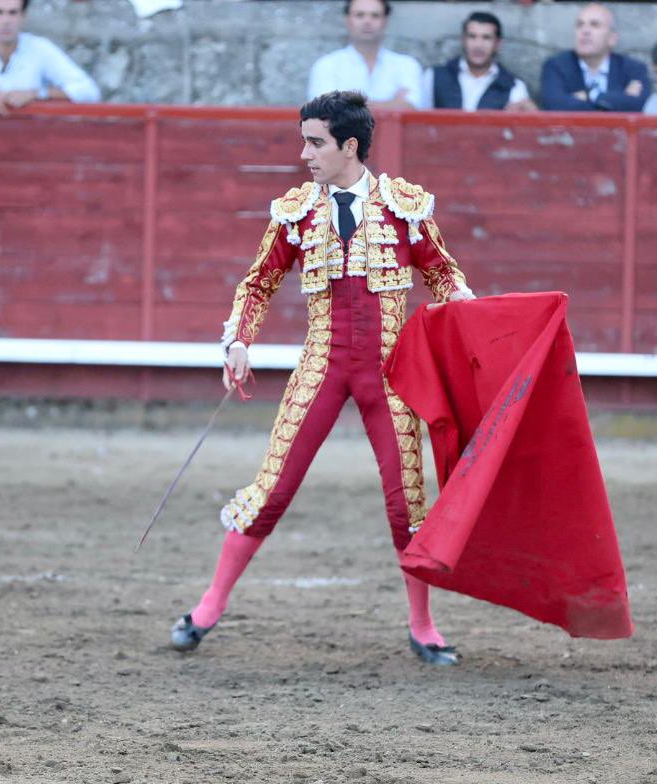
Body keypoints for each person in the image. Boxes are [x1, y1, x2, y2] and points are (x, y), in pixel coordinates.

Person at [171, 91, 475, 666]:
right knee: (273, 489)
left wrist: (474, 310)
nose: (304, 153)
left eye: (315, 142)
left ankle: (423, 624)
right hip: (322, 366)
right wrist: (237, 341)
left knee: (407, 503)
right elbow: (258, 283)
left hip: (391, 373)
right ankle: (209, 606)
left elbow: (441, 274)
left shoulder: (404, 206)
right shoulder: (296, 211)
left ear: (349, 146)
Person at [307, 0, 422, 110]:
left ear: (385, 21)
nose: (367, 21)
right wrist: (393, 103)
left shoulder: (407, 65)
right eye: (359, 15)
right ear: (347, 20)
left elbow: (413, 107)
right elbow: (324, 109)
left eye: (375, 15)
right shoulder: (326, 65)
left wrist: (347, 103)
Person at [540, 3, 650, 112]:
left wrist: (589, 96)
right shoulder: (556, 66)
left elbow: (640, 105)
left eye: (594, 25)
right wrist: (620, 98)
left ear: (612, 38)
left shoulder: (633, 69)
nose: (585, 31)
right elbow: (554, 105)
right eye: (580, 25)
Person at [421, 11, 535, 112]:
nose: (478, 45)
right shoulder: (434, 77)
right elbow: (418, 123)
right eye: (472, 37)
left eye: (486, 38)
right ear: (463, 40)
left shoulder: (514, 87)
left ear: (497, 44)